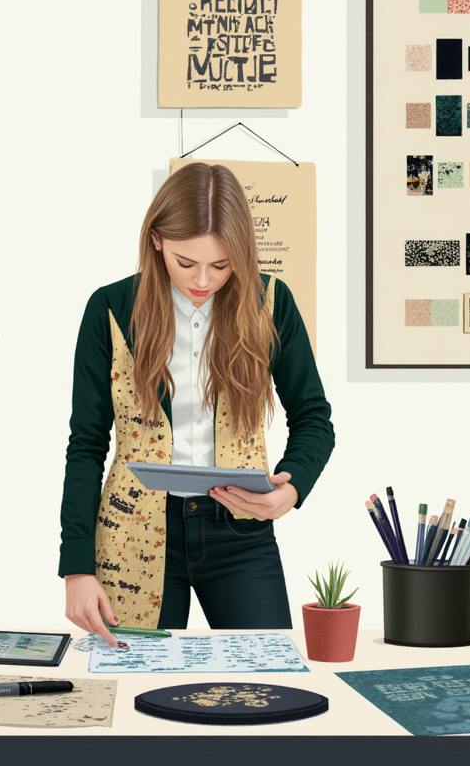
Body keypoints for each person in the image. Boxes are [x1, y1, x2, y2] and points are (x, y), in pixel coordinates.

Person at [58, 161, 335, 645]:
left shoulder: (271, 304)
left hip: (239, 533)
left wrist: (288, 492)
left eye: (222, 265)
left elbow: (314, 418)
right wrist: (76, 568)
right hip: (131, 533)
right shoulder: (109, 308)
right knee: (135, 690)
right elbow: (85, 444)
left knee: (269, 681)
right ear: (158, 239)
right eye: (187, 263)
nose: (203, 279)